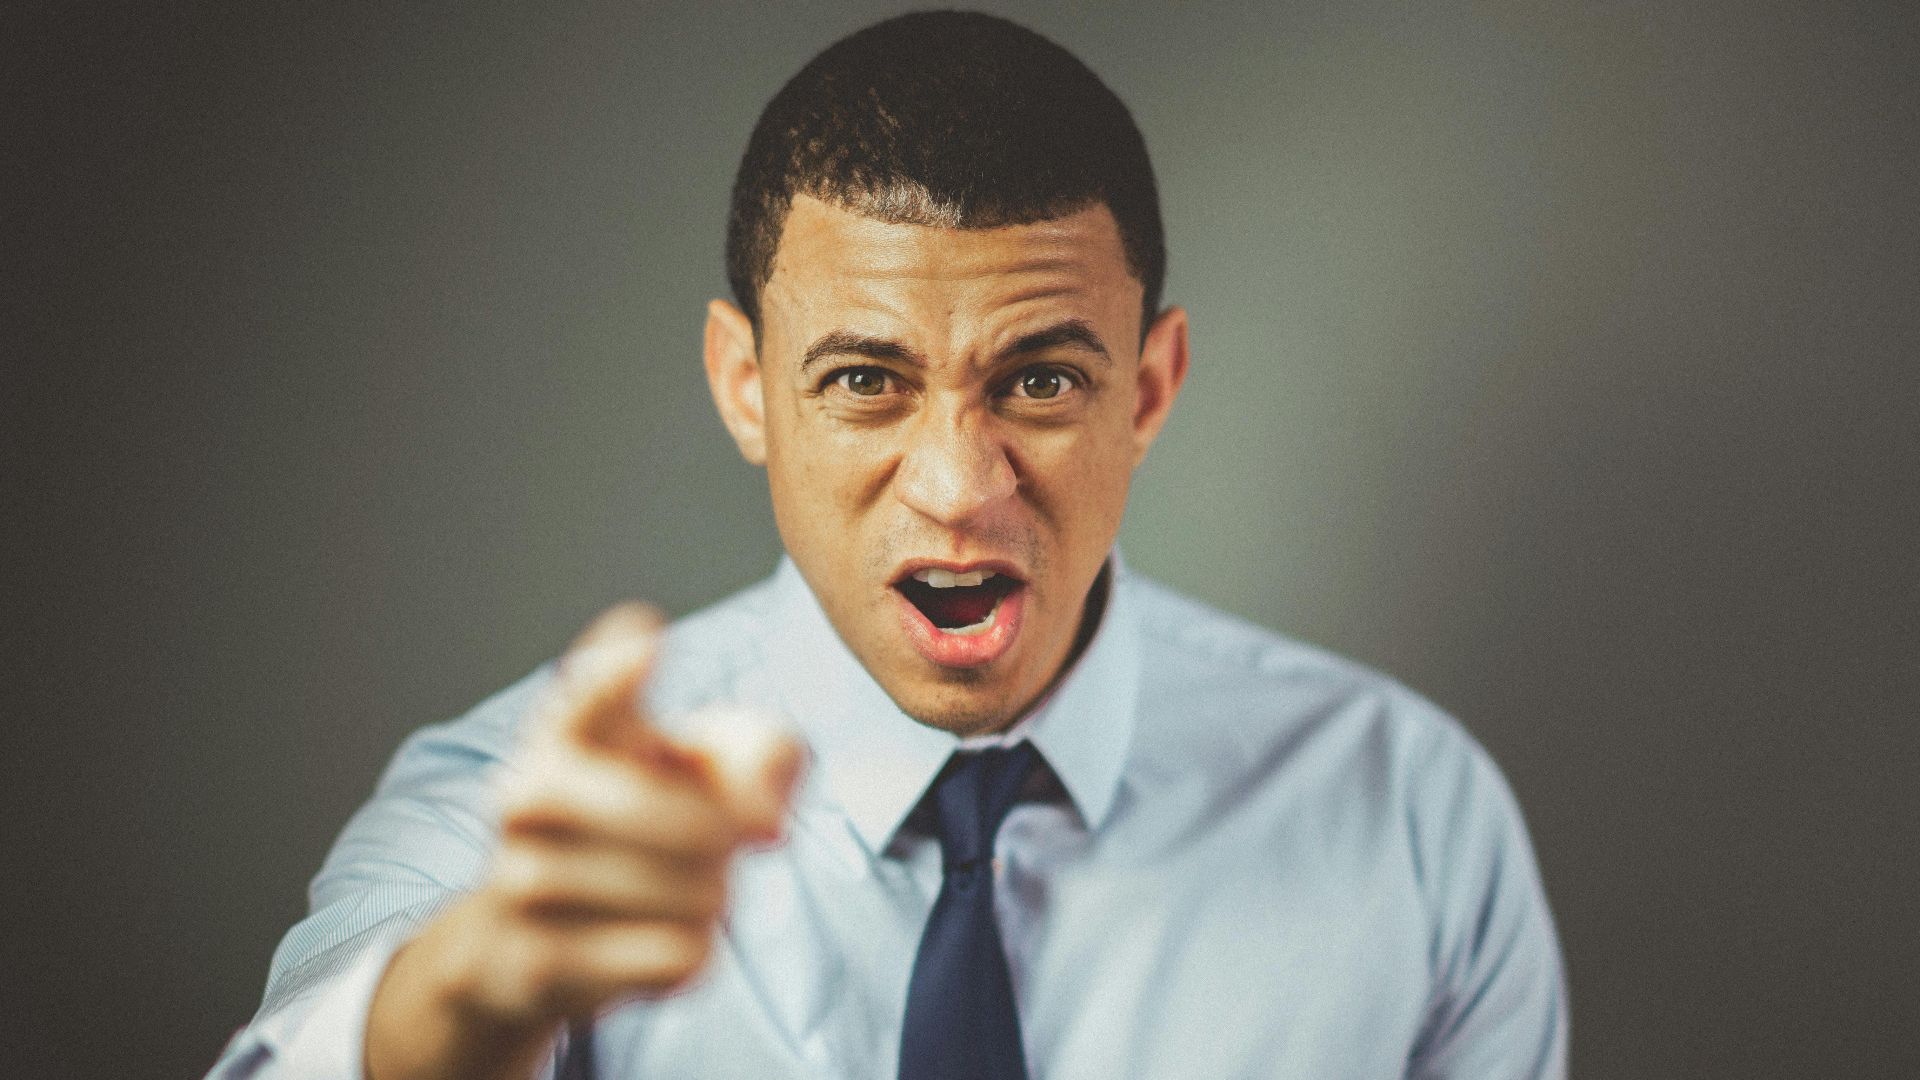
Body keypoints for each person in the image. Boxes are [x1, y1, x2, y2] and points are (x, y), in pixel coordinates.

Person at [209, 11, 1567, 1080]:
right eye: (865, 379)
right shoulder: (524, 818)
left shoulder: (1411, 814)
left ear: (1148, 391)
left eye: (1039, 380)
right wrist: (480, 987)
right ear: (747, 387)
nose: (959, 489)